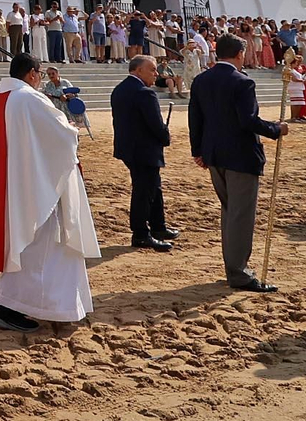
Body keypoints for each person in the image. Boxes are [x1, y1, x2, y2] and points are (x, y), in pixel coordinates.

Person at [0, 52, 100, 331]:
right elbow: (60, 137)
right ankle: (11, 306)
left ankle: (29, 304)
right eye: (39, 74)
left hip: (17, 184)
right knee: (42, 247)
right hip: (36, 187)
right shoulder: (30, 98)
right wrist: (72, 130)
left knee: (31, 247)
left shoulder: (1, 98)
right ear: (32, 74)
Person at [188, 33, 287, 293]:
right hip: (240, 156)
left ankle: (233, 266)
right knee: (240, 215)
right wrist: (276, 129)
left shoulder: (201, 79)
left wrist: (198, 150)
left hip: (214, 154)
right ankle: (239, 272)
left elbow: (195, 118)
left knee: (230, 212)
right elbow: (248, 121)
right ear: (240, 54)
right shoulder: (242, 82)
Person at [112, 56, 176, 252]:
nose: (156, 74)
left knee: (153, 187)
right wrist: (165, 137)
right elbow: (155, 124)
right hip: (144, 149)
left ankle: (158, 226)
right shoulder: (144, 93)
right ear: (138, 70)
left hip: (128, 148)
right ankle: (140, 234)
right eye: (152, 70)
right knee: (144, 191)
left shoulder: (119, 89)